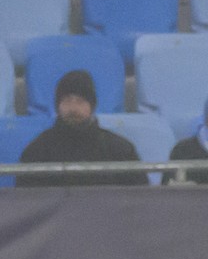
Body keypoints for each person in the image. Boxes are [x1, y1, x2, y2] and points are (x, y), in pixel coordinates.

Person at [16, 69, 146, 187]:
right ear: (57, 106)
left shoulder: (121, 151)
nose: (73, 109)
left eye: (80, 101)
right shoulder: (36, 152)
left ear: (92, 106)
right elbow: (27, 205)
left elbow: (139, 201)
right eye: (67, 101)